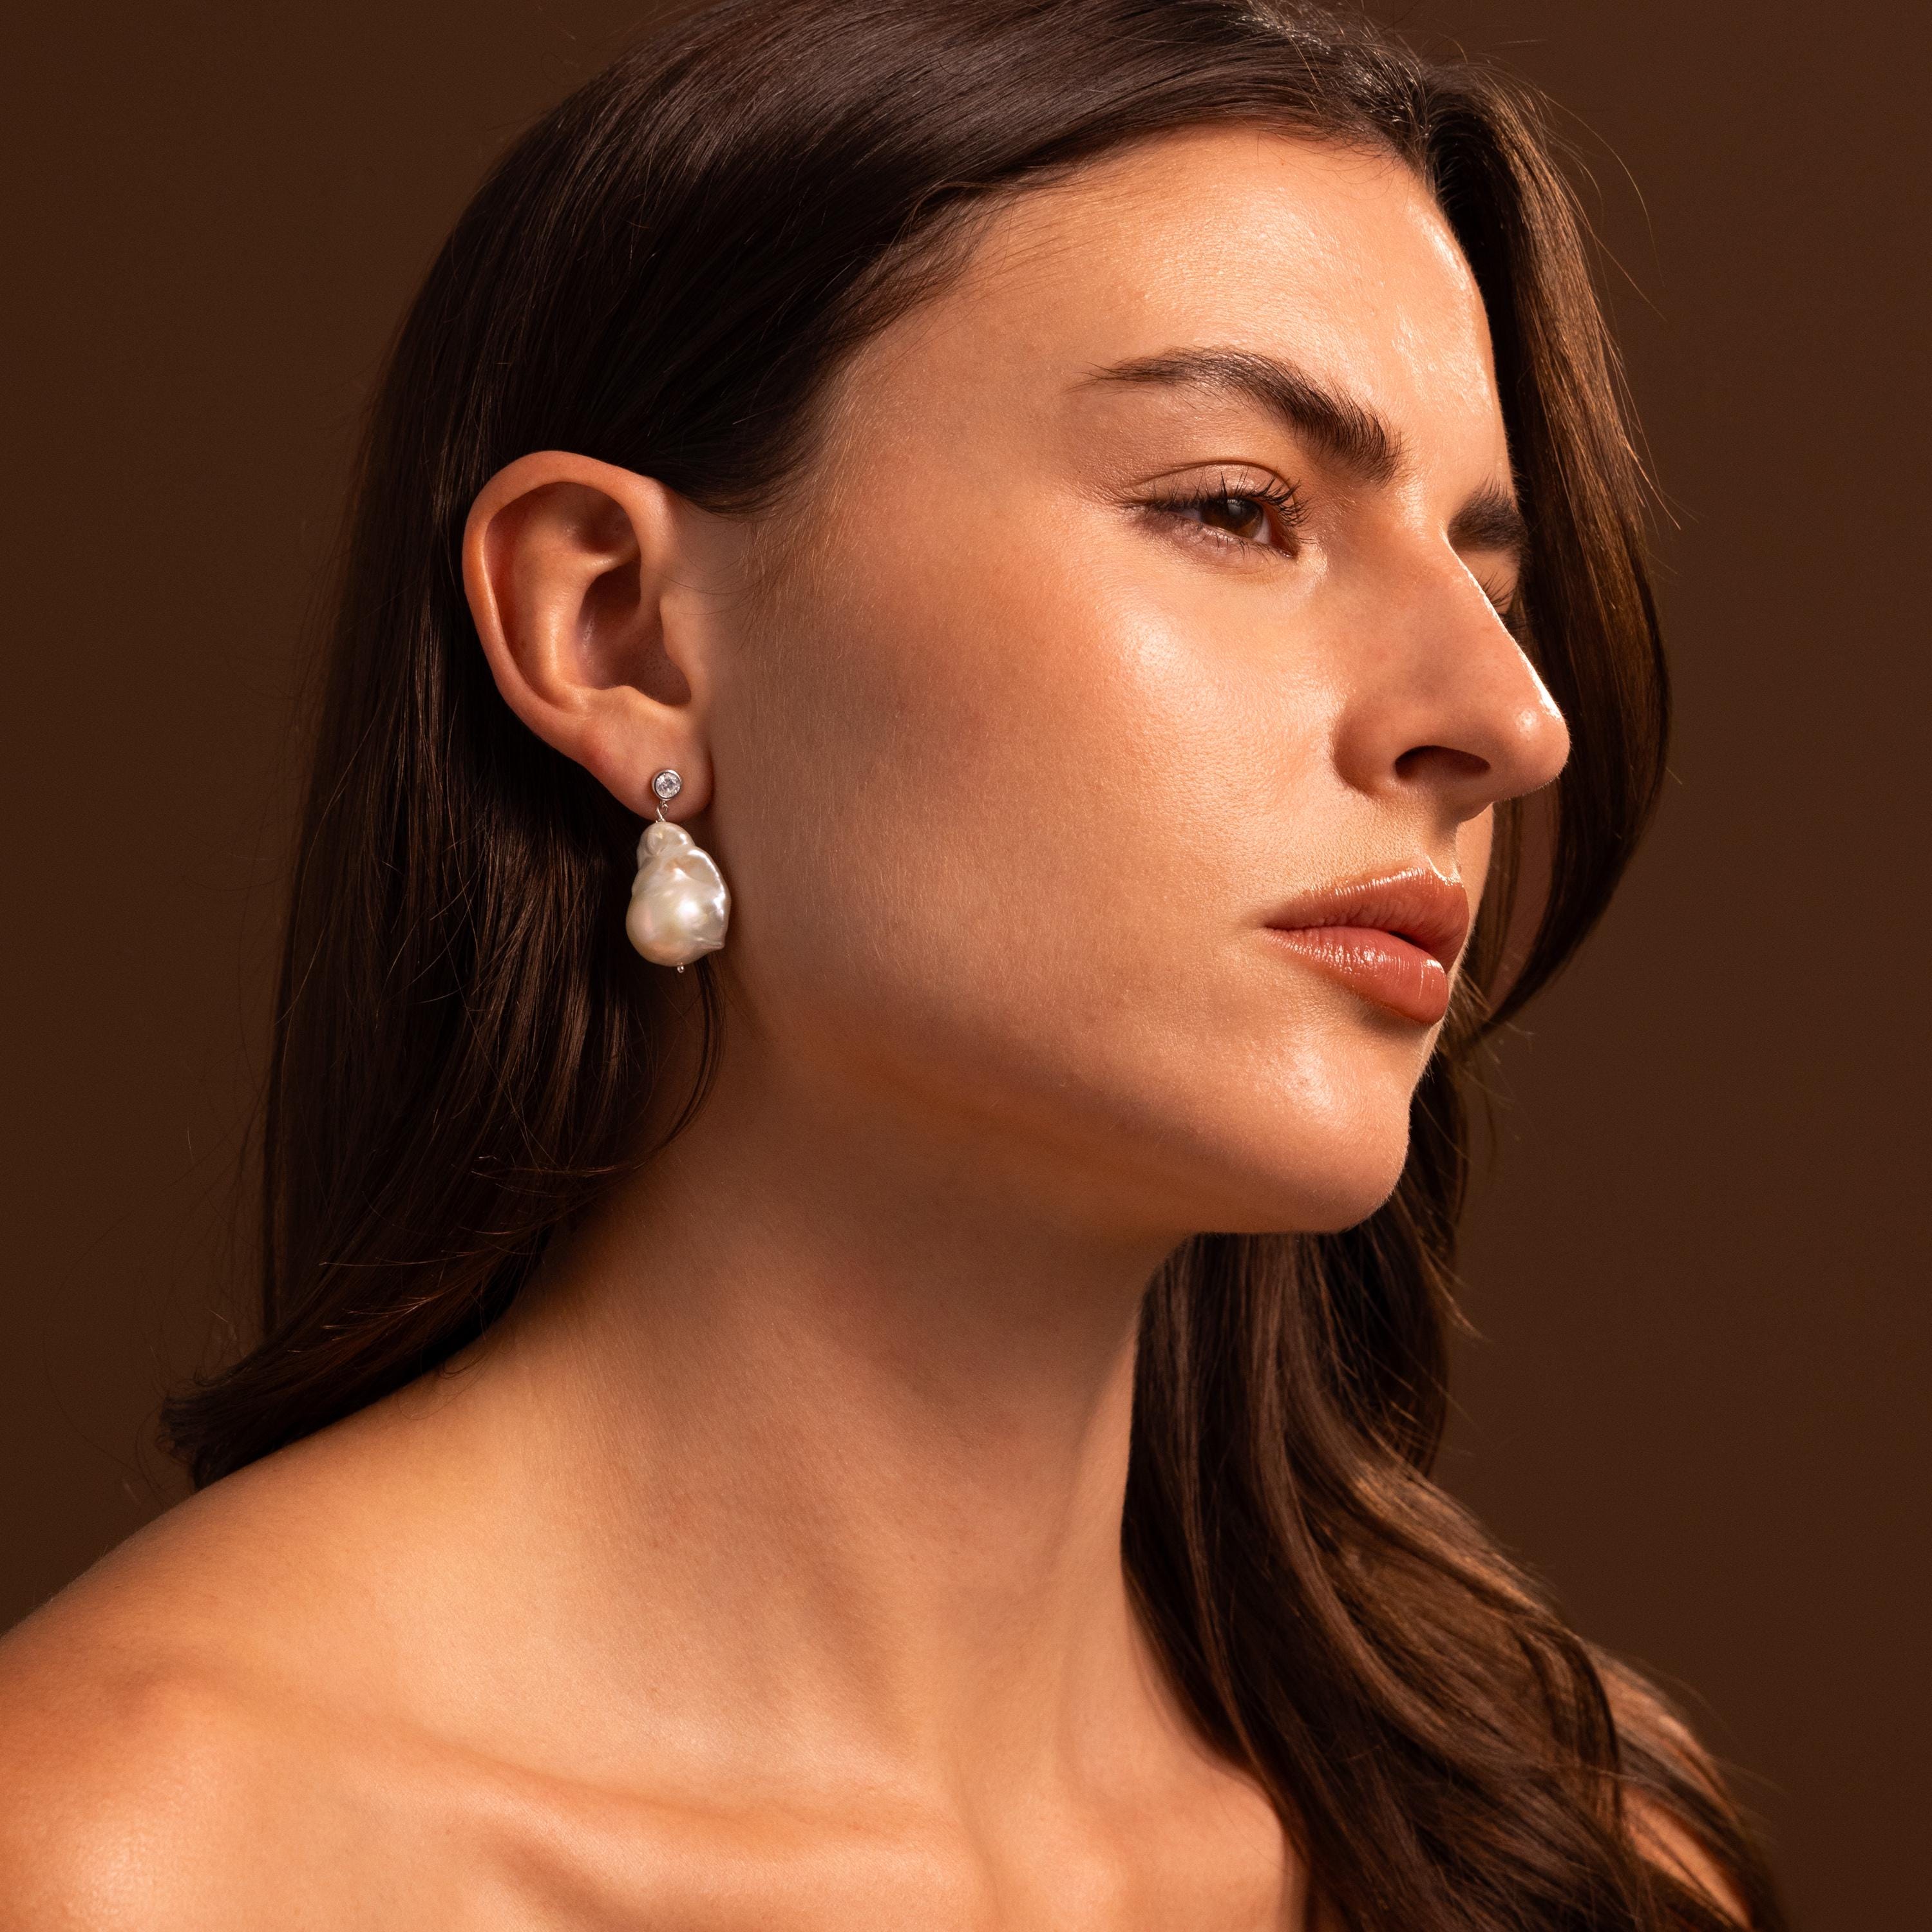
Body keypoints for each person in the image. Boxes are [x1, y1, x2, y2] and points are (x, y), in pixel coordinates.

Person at [0, 0, 1789, 1924]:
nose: (1508, 723)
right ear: (616, 632)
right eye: (1236, 509)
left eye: (1493, 588)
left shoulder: (1572, 1856)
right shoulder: (121, 1862)